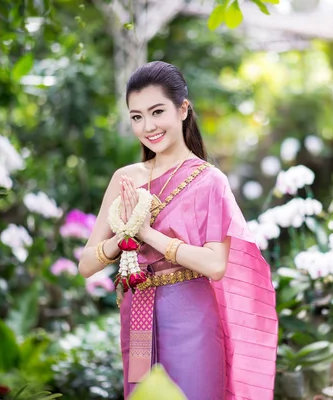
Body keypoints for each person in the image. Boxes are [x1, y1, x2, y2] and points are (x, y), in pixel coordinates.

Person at [78, 61, 278, 400]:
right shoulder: (125, 179)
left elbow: (216, 265)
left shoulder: (210, 181)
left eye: (157, 112)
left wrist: (147, 233)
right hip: (138, 312)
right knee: (142, 394)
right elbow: (86, 265)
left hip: (192, 318)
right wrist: (122, 237)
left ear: (183, 109)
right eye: (137, 116)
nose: (148, 126)